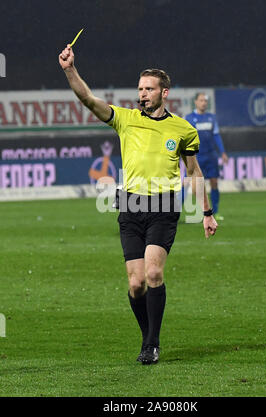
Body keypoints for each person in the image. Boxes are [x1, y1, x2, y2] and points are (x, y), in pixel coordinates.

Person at [59, 44, 218, 365]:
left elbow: (193, 171)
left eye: (149, 89)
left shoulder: (183, 128)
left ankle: (153, 344)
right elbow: (88, 100)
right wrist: (69, 70)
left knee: (154, 273)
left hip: (164, 206)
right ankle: (147, 337)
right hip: (130, 205)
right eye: (140, 89)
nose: (142, 94)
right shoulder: (125, 119)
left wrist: (207, 212)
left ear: (164, 93)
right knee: (135, 283)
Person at [185, 93, 228, 220]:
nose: (204, 103)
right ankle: (198, 211)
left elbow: (216, 135)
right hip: (196, 156)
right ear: (196, 102)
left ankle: (216, 211)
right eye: (201, 100)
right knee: (193, 184)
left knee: (214, 182)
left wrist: (223, 152)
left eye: (205, 100)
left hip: (211, 156)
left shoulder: (211, 118)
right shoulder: (189, 118)